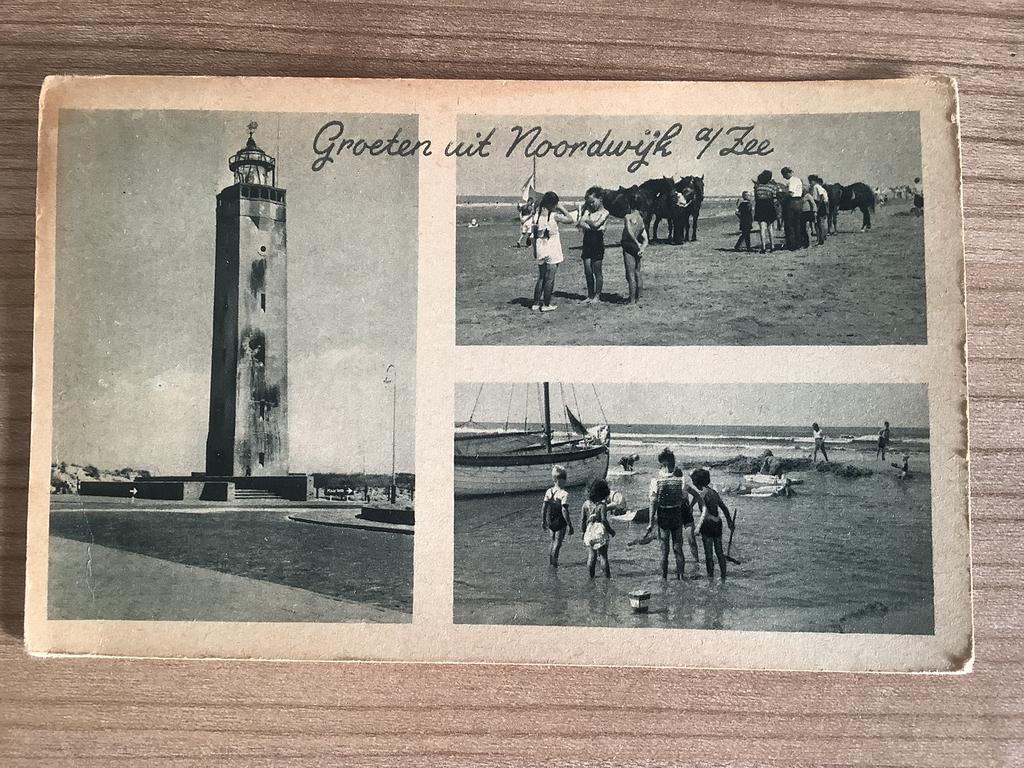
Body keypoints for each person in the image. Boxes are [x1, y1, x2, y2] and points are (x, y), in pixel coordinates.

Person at [644, 448, 701, 579]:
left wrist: (650, 522)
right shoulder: (681, 480)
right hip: (676, 515)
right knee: (678, 548)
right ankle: (680, 577)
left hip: (663, 515)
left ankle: (664, 578)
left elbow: (653, 503)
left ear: (663, 464)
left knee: (664, 551)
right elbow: (684, 498)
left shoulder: (656, 481)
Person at [530, 191, 575, 312]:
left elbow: (533, 236)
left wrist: (535, 250)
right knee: (550, 278)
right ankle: (546, 304)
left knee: (541, 277)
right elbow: (571, 219)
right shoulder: (554, 216)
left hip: (540, 246)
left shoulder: (536, 216)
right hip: (552, 247)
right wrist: (561, 207)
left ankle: (535, 303)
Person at [690, 468, 734, 581]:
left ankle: (710, 578)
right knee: (719, 552)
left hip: (707, 524)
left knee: (708, 554)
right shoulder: (713, 492)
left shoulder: (702, 494)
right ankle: (723, 577)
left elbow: (704, 512)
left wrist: (698, 527)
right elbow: (724, 508)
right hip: (718, 523)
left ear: (697, 483)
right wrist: (729, 522)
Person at [577, 186, 610, 304]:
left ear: (600, 199)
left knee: (597, 271)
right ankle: (590, 295)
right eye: (589, 203)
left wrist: (588, 222)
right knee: (588, 271)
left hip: (597, 243)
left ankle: (597, 295)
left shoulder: (605, 212)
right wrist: (592, 225)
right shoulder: (588, 212)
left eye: (592, 202)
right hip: (587, 242)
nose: (591, 205)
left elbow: (596, 225)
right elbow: (580, 223)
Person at [581, 478, 615, 578]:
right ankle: (607, 577)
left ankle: (591, 577)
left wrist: (583, 533)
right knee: (603, 556)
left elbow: (582, 520)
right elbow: (604, 520)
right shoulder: (602, 506)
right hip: (600, 531)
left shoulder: (586, 504)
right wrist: (611, 531)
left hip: (590, 531)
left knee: (591, 556)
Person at [542, 465, 574, 566]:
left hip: (550, 519)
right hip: (560, 520)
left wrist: (543, 520)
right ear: (560, 480)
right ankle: (554, 564)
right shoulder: (564, 493)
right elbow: (564, 510)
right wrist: (569, 525)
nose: (566, 481)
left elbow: (544, 508)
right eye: (564, 479)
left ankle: (551, 562)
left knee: (552, 542)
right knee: (558, 543)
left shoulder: (549, 491)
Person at [621, 189, 649, 305]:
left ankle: (632, 301)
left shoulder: (628, 216)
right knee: (637, 272)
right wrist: (641, 247)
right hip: (636, 246)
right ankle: (639, 298)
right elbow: (646, 239)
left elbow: (629, 231)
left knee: (630, 274)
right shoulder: (641, 219)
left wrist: (636, 243)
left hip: (629, 245)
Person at [753, 170, 777, 253]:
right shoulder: (772, 187)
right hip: (769, 206)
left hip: (760, 207)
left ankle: (763, 246)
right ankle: (772, 246)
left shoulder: (758, 187)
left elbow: (756, 198)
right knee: (770, 228)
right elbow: (774, 198)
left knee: (762, 228)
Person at [780, 167, 803, 250]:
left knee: (789, 224)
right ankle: (799, 243)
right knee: (798, 224)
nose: (783, 177)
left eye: (784, 175)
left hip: (792, 202)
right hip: (799, 202)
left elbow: (790, 193)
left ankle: (792, 245)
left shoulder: (792, 181)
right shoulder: (798, 180)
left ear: (787, 173)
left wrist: (782, 197)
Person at [809, 175, 830, 246]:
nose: (810, 183)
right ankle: (821, 238)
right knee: (821, 223)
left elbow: (821, 196)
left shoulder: (816, 187)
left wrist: (817, 207)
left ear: (814, 181)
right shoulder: (819, 187)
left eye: (810, 181)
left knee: (818, 223)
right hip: (822, 204)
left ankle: (820, 239)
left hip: (819, 204)